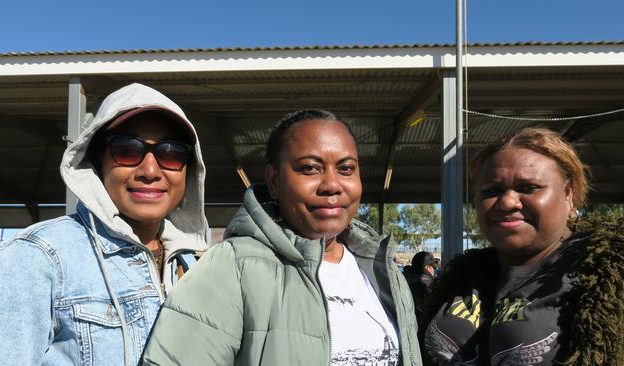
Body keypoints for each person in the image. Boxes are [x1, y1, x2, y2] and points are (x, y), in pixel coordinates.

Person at [142, 109, 422, 365]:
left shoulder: (382, 271)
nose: (332, 185)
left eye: (346, 168)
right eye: (310, 168)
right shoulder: (233, 268)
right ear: (275, 182)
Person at [0, 83, 209, 366]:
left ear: (190, 170)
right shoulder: (37, 258)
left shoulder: (193, 265)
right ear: (97, 161)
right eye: (128, 149)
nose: (150, 171)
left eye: (172, 153)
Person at [421, 128, 624, 366]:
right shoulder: (463, 275)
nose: (507, 202)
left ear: (568, 195)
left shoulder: (618, 276)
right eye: (491, 191)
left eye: (528, 188)